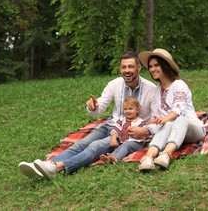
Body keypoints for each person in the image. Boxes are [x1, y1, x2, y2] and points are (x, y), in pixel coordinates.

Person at [18, 51, 157, 179]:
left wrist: (144, 130)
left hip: (127, 133)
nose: (127, 71)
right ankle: (44, 165)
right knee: (81, 144)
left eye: (131, 67)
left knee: (95, 147)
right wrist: (93, 106)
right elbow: (99, 108)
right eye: (123, 67)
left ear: (139, 68)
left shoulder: (151, 89)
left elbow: (157, 119)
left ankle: (56, 167)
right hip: (111, 124)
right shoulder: (114, 84)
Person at [137, 48, 206, 171]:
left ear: (165, 65)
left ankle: (166, 155)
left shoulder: (179, 85)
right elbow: (160, 119)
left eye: (156, 65)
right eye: (150, 66)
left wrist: (163, 120)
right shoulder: (157, 89)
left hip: (192, 129)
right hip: (172, 130)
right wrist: (146, 127)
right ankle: (148, 158)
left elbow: (177, 111)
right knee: (167, 125)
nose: (152, 69)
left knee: (179, 120)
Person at [100, 96, 160, 164]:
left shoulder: (140, 122)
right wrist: (113, 139)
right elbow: (115, 131)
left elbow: (146, 132)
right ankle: (110, 158)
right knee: (119, 147)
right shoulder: (122, 121)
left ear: (137, 110)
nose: (128, 111)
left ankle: (116, 159)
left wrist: (148, 136)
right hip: (124, 142)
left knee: (126, 146)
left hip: (137, 143)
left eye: (130, 109)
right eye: (125, 109)